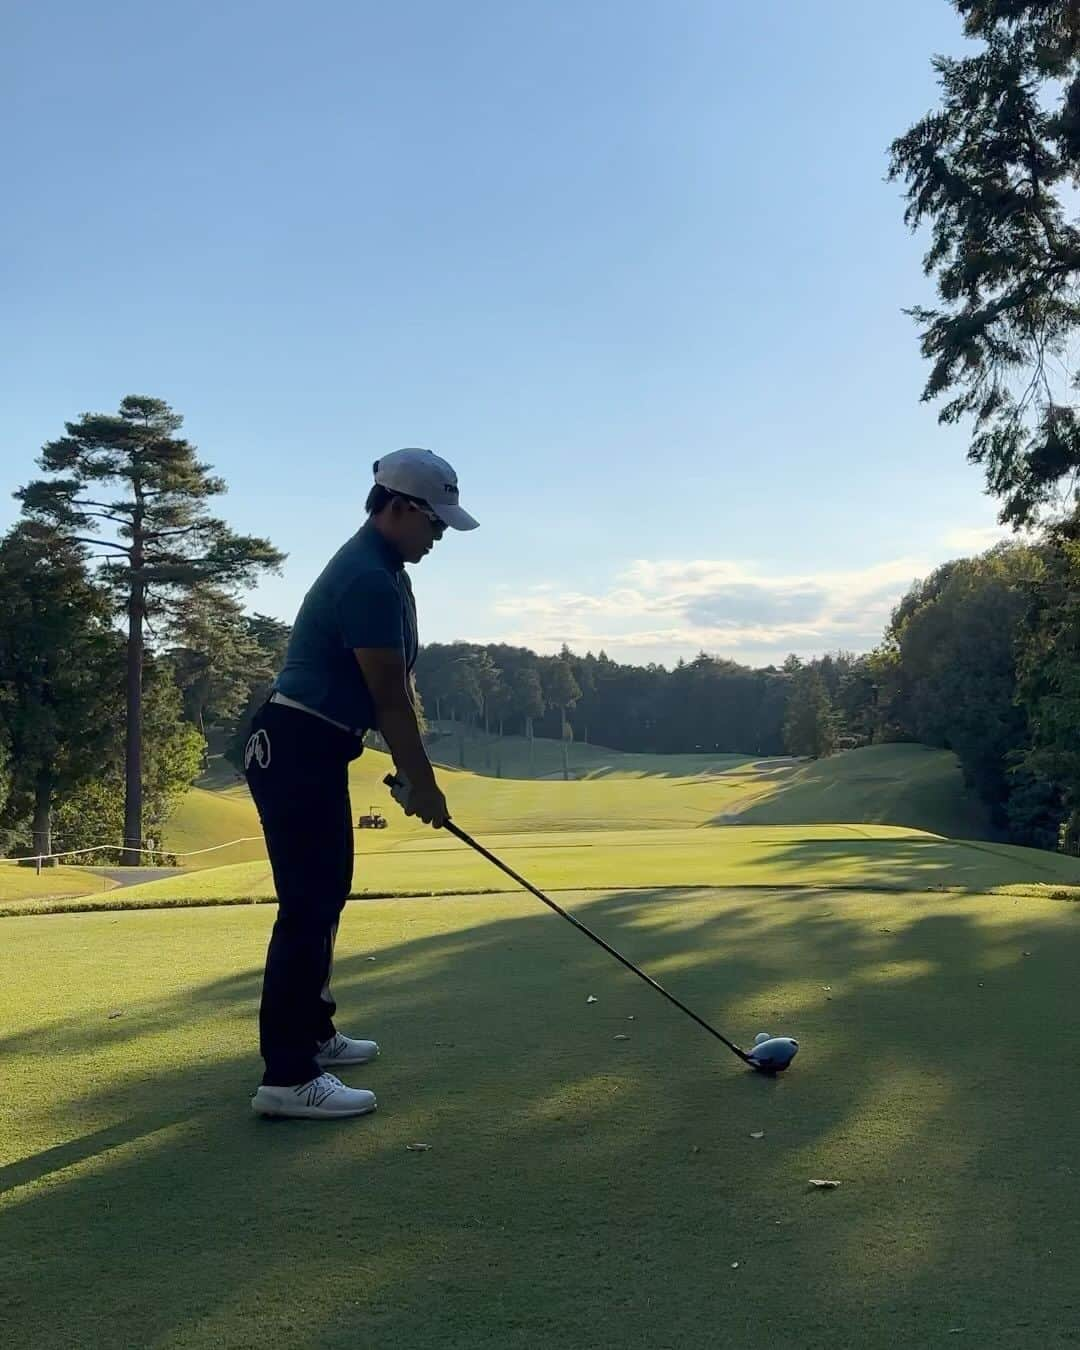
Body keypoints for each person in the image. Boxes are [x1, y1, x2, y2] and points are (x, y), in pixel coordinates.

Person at [243, 448, 478, 1120]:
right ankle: (288, 1076)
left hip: (313, 747)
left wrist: (411, 772)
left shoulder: (387, 570)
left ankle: (313, 1031)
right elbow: (388, 699)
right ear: (400, 508)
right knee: (308, 904)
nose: (439, 536)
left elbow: (396, 685)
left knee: (324, 894)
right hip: (295, 747)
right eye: (435, 522)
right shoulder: (370, 579)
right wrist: (423, 785)